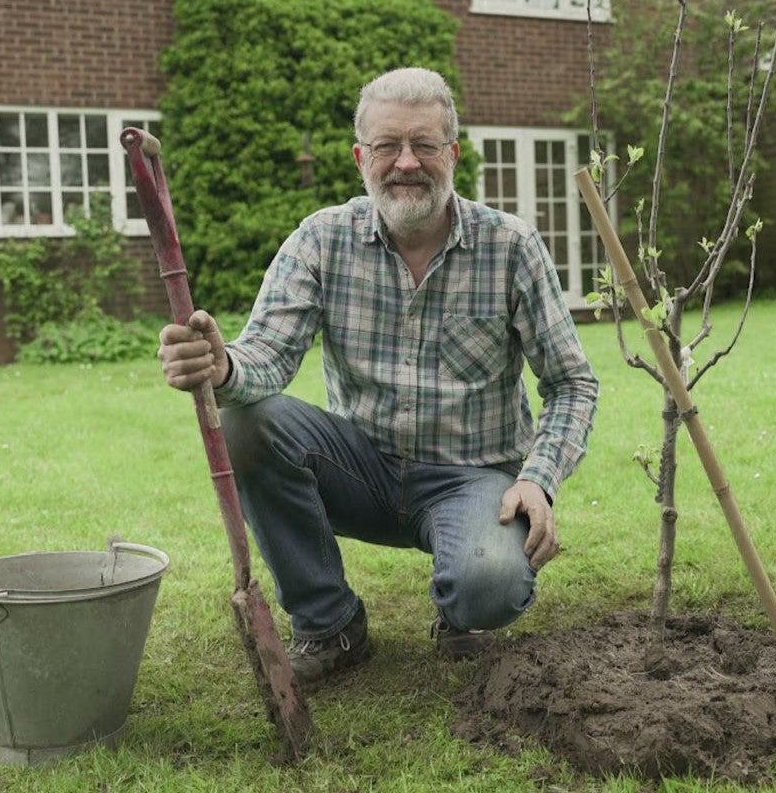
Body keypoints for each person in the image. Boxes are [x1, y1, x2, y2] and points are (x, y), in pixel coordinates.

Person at [156, 68, 599, 688]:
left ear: (454, 153)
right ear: (361, 156)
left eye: (425, 145)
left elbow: (573, 383)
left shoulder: (511, 246)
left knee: (489, 585)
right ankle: (330, 622)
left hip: (472, 478)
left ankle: (461, 610)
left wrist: (539, 481)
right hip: (359, 466)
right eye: (388, 146)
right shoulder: (321, 240)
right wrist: (221, 365)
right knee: (248, 424)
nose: (406, 162)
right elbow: (267, 357)